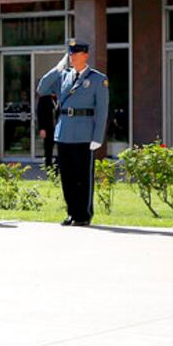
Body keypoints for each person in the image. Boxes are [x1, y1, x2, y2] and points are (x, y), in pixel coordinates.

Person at [36, 39, 109, 227]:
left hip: (85, 133)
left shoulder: (97, 79)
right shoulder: (64, 76)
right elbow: (42, 88)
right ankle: (71, 213)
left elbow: (102, 111)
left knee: (83, 176)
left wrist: (97, 137)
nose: (72, 58)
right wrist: (57, 69)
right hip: (64, 132)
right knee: (67, 176)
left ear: (85, 55)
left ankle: (83, 214)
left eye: (75, 54)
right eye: (70, 54)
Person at [35, 91, 56, 171]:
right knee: (48, 147)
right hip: (48, 127)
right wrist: (42, 128)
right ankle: (48, 166)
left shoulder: (59, 99)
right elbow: (40, 114)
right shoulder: (43, 99)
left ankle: (57, 165)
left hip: (58, 127)